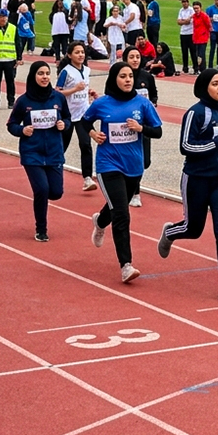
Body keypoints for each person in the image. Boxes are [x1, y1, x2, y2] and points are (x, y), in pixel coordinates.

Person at [157, 69, 218, 299]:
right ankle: (170, 233)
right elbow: (186, 147)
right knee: (193, 229)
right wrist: (217, 144)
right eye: (215, 84)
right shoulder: (194, 114)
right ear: (204, 87)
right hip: (196, 179)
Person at [85, 61, 163, 283]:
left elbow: (157, 131)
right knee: (122, 213)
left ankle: (100, 221)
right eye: (123, 76)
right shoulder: (102, 104)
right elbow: (83, 122)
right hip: (108, 164)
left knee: (115, 208)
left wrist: (141, 129)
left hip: (134, 166)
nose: (128, 80)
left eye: (130, 76)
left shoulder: (143, 104)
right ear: (114, 79)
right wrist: (92, 133)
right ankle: (126, 265)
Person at [7, 62, 69, 242]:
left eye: (47, 73)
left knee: (55, 192)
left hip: (54, 152)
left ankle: (45, 194)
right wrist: (22, 130)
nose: (44, 77)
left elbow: (67, 118)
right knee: (41, 189)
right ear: (33, 76)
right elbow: (11, 124)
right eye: (41, 73)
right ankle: (41, 229)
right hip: (32, 153)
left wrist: (64, 125)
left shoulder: (58, 98)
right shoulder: (24, 101)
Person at [57, 41, 98, 192]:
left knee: (86, 144)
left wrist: (89, 92)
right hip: (68, 114)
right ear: (69, 55)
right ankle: (54, 171)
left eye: (82, 52)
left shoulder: (87, 70)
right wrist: (75, 89)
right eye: (77, 52)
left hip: (83, 114)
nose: (80, 55)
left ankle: (87, 178)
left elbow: (84, 88)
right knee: (62, 146)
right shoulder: (65, 72)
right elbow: (57, 92)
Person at [126, 46, 159, 207]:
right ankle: (135, 193)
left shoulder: (147, 77)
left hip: (144, 125)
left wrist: (153, 103)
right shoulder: (122, 77)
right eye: (131, 57)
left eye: (137, 57)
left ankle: (130, 185)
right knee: (135, 160)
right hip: (127, 127)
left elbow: (153, 93)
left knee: (145, 161)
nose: (135, 60)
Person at [190, 1, 212, 72]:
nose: (196, 10)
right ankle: (198, 68)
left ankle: (203, 70)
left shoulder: (204, 16)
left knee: (201, 55)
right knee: (197, 54)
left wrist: (206, 34)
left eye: (197, 8)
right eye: (194, 8)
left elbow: (209, 26)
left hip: (203, 38)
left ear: (200, 8)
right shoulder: (194, 16)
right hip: (196, 38)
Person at [176, 0, 195, 73]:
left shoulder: (191, 10)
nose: (184, 3)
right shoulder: (181, 10)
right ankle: (185, 67)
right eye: (183, 2)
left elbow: (189, 21)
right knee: (184, 51)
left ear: (188, 2)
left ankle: (195, 67)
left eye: (185, 2)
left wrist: (183, 21)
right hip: (183, 33)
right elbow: (178, 22)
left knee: (193, 51)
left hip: (190, 32)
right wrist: (184, 21)